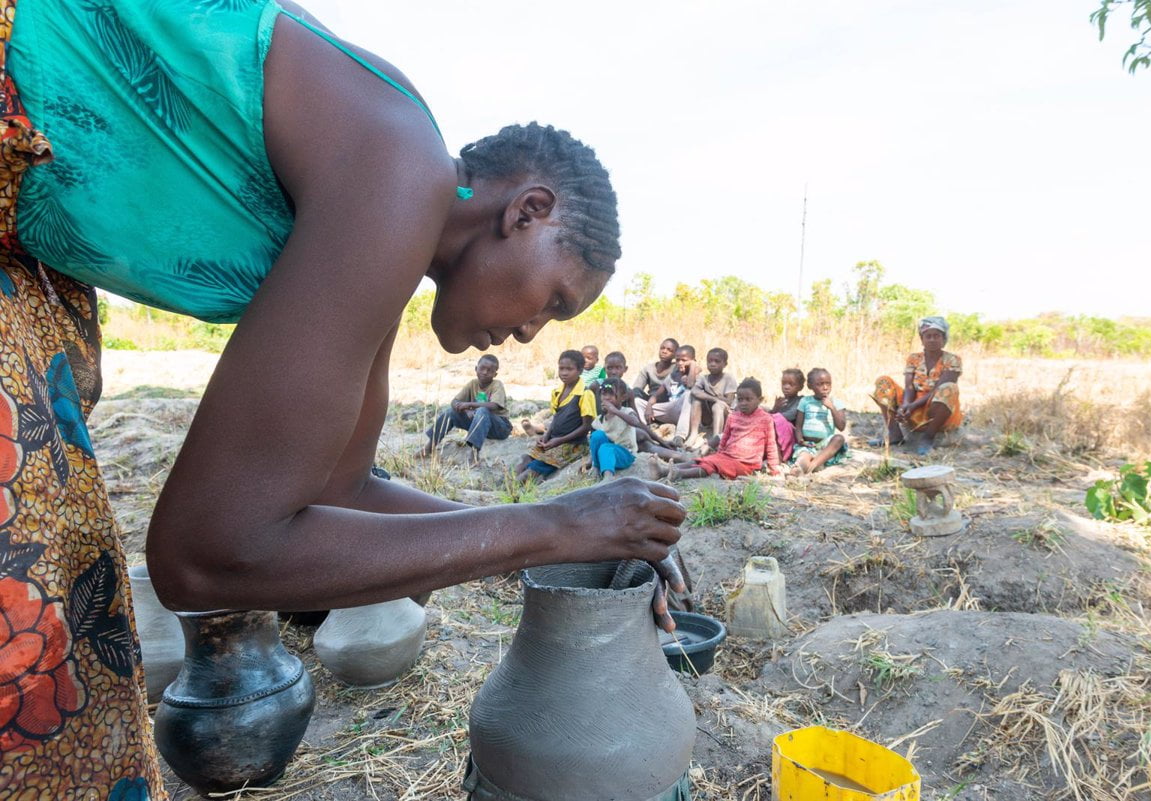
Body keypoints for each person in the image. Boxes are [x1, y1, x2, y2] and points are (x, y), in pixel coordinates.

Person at [0, 4, 686, 798]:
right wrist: (555, 524)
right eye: (554, 300)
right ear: (526, 210)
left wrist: (573, 550)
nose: (533, 332)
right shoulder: (401, 166)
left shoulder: (386, 222)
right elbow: (203, 555)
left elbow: (342, 492)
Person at [650, 378, 780, 480]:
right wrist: (720, 453)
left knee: (710, 466)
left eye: (748, 399)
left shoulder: (766, 419)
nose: (744, 403)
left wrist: (774, 469)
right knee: (703, 460)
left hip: (746, 464)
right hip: (727, 456)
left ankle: (679, 474)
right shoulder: (733, 417)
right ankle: (664, 470)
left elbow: (771, 445)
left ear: (760, 400)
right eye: (740, 400)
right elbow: (725, 438)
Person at [870, 316, 963, 456]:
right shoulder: (914, 358)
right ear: (922, 339)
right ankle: (894, 433)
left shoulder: (953, 360)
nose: (932, 339)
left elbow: (938, 388)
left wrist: (912, 406)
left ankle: (928, 437)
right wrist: (905, 405)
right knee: (883, 382)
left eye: (936, 336)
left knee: (949, 388)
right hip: (914, 405)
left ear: (944, 339)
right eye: (928, 336)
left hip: (937, 407)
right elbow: (909, 387)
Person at [515, 350, 596, 481]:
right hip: (554, 440)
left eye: (569, 369)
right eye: (561, 368)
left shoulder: (585, 394)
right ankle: (509, 486)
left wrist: (560, 440)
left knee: (537, 465)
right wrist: (546, 436)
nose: (564, 373)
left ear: (580, 370)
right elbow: (556, 419)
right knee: (526, 458)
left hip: (573, 445)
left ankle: (511, 489)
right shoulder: (557, 392)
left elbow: (586, 427)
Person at [420, 354, 512, 462]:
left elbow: (494, 405)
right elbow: (454, 402)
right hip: (480, 424)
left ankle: (474, 453)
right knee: (451, 412)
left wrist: (469, 405)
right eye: (482, 368)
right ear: (476, 368)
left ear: (495, 374)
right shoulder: (473, 383)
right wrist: (466, 409)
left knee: (482, 410)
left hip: (500, 427)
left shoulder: (497, 384)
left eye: (490, 370)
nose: (485, 372)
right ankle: (429, 447)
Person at [587, 380, 652, 481]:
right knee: (597, 435)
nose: (607, 397)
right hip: (606, 452)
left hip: (625, 453)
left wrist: (615, 411)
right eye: (604, 394)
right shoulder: (600, 418)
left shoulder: (627, 412)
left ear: (623, 397)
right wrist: (591, 460)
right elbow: (594, 442)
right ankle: (596, 466)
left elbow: (635, 422)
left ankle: (608, 477)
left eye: (611, 394)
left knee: (606, 448)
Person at [791, 368, 849, 474]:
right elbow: (798, 426)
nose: (825, 387)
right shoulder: (805, 401)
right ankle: (800, 467)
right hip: (808, 445)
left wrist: (832, 408)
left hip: (826, 445)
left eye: (828, 384)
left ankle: (813, 465)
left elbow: (841, 426)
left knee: (839, 439)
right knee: (803, 456)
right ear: (810, 386)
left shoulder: (836, 403)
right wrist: (801, 440)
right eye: (820, 384)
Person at [635, 344, 701, 436]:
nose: (680, 363)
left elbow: (690, 385)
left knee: (688, 394)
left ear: (693, 361)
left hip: (685, 412)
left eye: (684, 360)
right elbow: (656, 395)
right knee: (638, 402)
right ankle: (644, 430)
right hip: (669, 408)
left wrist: (693, 365)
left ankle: (680, 435)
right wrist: (649, 406)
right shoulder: (672, 376)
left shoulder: (697, 376)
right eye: (678, 360)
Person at [683, 347, 738, 450]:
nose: (713, 364)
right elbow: (694, 391)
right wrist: (715, 399)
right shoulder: (704, 378)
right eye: (710, 361)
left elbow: (729, 401)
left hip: (725, 415)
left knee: (717, 406)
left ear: (725, 364)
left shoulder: (728, 378)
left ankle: (716, 438)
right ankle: (693, 434)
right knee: (696, 400)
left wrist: (715, 400)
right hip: (708, 416)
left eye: (717, 361)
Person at [769, 368, 805, 462]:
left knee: (776, 419)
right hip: (777, 435)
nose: (786, 387)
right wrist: (775, 408)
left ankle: (779, 458)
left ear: (800, 387)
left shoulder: (800, 401)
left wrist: (774, 413)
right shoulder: (781, 401)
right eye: (784, 383)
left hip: (792, 437)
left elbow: (788, 416)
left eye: (791, 384)